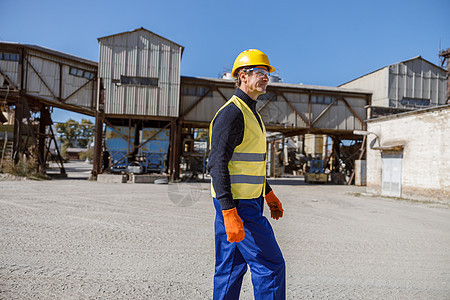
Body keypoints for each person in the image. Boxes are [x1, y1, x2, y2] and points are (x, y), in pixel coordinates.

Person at [207, 49, 286, 299]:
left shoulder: (251, 113)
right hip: (238, 206)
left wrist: (268, 193)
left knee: (230, 269)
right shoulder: (233, 113)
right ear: (243, 75)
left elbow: (247, 165)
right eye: (261, 72)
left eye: (267, 73)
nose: (266, 78)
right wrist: (229, 211)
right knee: (271, 267)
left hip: (242, 202)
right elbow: (216, 163)